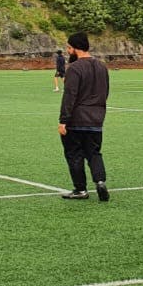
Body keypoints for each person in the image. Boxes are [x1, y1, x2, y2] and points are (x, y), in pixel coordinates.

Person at [57, 32, 110, 201]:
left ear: (74, 48)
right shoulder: (102, 66)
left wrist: (63, 120)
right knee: (94, 153)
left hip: (77, 119)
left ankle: (80, 189)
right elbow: (105, 92)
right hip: (96, 118)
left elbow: (70, 95)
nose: (67, 50)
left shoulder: (74, 68)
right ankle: (100, 181)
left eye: (68, 47)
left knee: (74, 154)